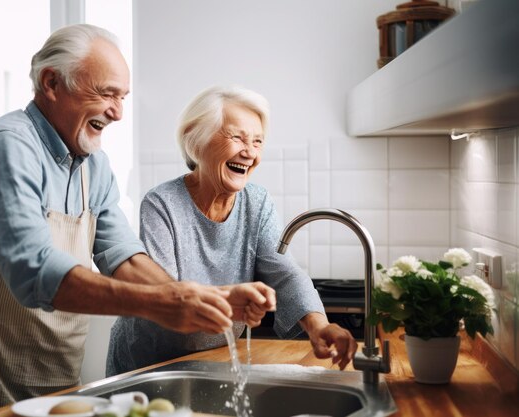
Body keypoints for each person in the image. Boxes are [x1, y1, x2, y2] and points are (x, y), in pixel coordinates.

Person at [0, 26, 275, 417]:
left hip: (51, 374)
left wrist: (211, 298)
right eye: (106, 94)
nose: (118, 112)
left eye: (122, 97)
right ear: (51, 82)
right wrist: (162, 303)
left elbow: (124, 258)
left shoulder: (95, 165)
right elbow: (33, 270)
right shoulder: (7, 146)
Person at [107, 85, 358, 376]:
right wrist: (229, 298)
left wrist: (319, 326)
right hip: (150, 365)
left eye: (258, 141)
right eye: (237, 137)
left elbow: (285, 273)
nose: (250, 152)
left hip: (215, 360)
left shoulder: (257, 202)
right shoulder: (161, 203)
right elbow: (168, 297)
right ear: (195, 141)